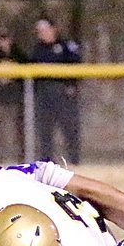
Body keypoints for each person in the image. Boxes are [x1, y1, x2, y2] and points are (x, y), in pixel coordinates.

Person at [30, 18, 81, 164]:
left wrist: (71, 84)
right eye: (40, 31)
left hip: (63, 94)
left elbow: (76, 64)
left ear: (53, 29)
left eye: (45, 30)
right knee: (45, 131)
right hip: (44, 94)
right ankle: (47, 163)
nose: (42, 34)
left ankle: (74, 161)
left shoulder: (66, 46)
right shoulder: (37, 49)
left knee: (69, 128)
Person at [0, 31, 28, 162]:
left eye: (5, 39)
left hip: (16, 100)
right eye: (0, 40)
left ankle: (21, 160)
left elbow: (28, 70)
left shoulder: (18, 54)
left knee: (18, 133)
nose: (3, 42)